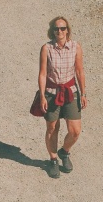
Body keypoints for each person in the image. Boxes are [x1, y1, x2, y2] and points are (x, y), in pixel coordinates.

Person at [37, 16, 86, 177]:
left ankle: (64, 151)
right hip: (51, 93)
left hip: (70, 91)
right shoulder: (46, 48)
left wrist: (83, 93)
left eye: (63, 28)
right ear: (52, 31)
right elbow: (43, 74)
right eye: (56, 29)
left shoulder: (75, 47)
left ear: (67, 30)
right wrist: (43, 96)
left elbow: (79, 71)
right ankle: (53, 160)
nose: (60, 31)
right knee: (52, 128)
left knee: (75, 131)